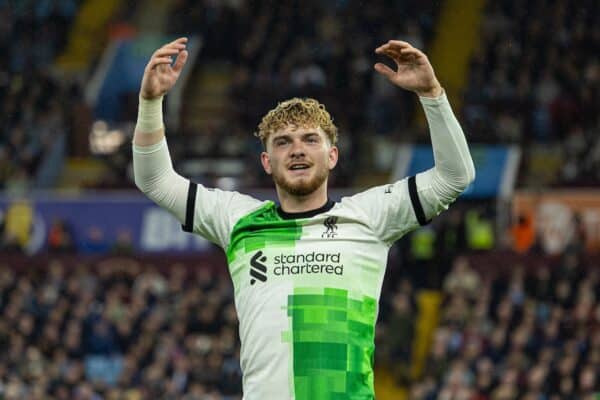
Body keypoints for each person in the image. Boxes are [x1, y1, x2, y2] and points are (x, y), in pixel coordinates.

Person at [132, 37, 475, 399]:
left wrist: (432, 94)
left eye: (310, 139)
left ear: (332, 157)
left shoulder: (370, 217)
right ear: (266, 162)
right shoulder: (238, 220)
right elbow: (154, 179)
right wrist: (151, 102)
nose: (296, 149)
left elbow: (456, 176)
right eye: (282, 142)